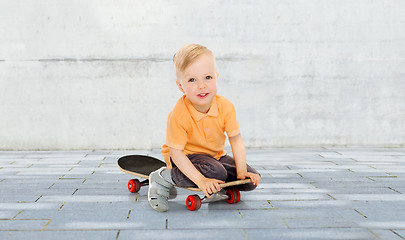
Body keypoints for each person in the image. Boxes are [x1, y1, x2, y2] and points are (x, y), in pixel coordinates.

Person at [148, 44, 261, 212]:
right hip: (185, 157)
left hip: (214, 157)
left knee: (250, 180)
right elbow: (176, 153)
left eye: (208, 77)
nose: (202, 85)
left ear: (217, 77)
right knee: (217, 173)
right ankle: (162, 177)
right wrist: (201, 181)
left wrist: (242, 170)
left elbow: (236, 140)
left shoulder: (226, 106)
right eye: (192, 80)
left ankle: (217, 186)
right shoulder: (179, 114)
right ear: (181, 86)